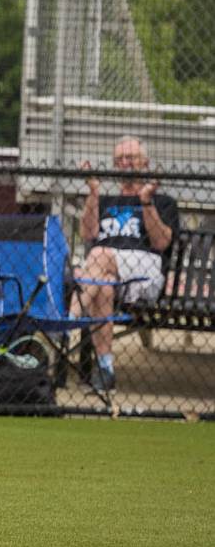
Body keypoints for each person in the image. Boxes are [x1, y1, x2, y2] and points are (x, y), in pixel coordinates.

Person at [75, 136, 178, 394]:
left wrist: (145, 201)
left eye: (130, 159)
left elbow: (162, 242)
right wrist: (94, 193)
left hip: (146, 274)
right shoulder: (107, 201)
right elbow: (87, 234)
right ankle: (106, 369)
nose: (124, 164)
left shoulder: (163, 202)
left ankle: (67, 320)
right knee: (104, 288)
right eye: (119, 160)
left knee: (99, 255)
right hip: (108, 273)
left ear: (145, 163)